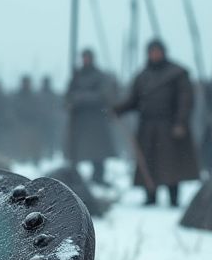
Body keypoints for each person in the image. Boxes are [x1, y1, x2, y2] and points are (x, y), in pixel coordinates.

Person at [113, 39, 200, 206]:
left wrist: (180, 122)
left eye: (157, 51)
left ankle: (173, 196)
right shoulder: (143, 76)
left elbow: (185, 100)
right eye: (151, 52)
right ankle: (150, 196)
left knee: (171, 165)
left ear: (163, 52)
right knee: (149, 162)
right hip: (147, 127)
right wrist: (119, 109)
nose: (154, 54)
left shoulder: (177, 73)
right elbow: (134, 100)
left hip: (169, 126)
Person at [65, 49, 117, 185]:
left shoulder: (99, 76)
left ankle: (98, 177)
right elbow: (68, 96)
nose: (85, 60)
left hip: (95, 120)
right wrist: (72, 101)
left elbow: (103, 95)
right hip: (79, 121)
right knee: (75, 152)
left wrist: (81, 98)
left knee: (98, 152)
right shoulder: (76, 76)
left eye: (87, 57)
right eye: (84, 58)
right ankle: (73, 177)